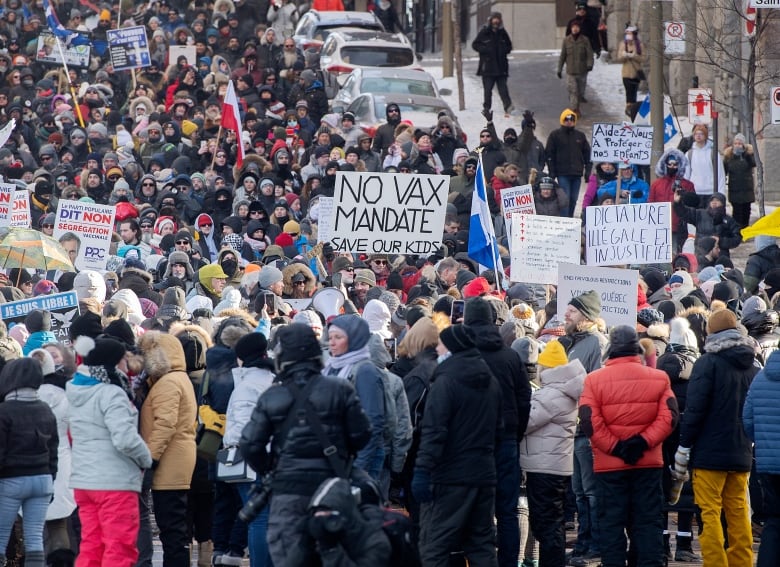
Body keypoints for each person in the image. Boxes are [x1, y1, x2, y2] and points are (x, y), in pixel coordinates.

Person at [240, 324, 372, 566]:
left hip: (287, 494)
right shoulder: (339, 389)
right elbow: (363, 434)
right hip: (334, 489)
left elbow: (249, 444)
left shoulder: (272, 395)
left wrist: (271, 468)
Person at [579, 325, 677, 567]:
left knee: (611, 525)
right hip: (648, 464)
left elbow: (589, 422)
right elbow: (670, 417)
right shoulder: (659, 377)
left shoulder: (594, 380)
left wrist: (616, 448)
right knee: (647, 523)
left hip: (609, 466)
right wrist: (642, 442)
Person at [412, 324, 503, 566]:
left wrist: (422, 470)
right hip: (484, 474)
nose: (438, 349)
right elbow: (499, 429)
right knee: (481, 544)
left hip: (449, 476)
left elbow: (433, 431)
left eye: (442, 344)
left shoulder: (445, 381)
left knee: (434, 544)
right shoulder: (490, 380)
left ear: (452, 348)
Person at [676, 309, 758, 567]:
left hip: (708, 455)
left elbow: (695, 409)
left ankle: (715, 563)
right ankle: (742, 563)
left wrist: (684, 444)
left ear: (710, 332)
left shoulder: (707, 363)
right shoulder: (753, 366)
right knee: (738, 511)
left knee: (709, 513)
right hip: (741, 451)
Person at [68, 331, 152, 567]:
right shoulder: (112, 392)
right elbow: (125, 438)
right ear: (115, 362)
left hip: (85, 481)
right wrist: (146, 458)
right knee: (119, 548)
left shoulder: (76, 389)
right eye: (125, 359)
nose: (128, 365)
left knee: (91, 546)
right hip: (114, 482)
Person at [464, 297, 531, 567]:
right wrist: (516, 432)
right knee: (507, 510)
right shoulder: (510, 356)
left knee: (473, 507)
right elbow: (524, 398)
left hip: (472, 444)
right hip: (505, 440)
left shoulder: (463, 357)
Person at [520, 342, 586, 567]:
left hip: (544, 466)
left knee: (547, 525)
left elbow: (525, 422)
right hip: (553, 464)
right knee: (551, 523)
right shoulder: (563, 391)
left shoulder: (551, 394)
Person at [139, 331, 198, 567]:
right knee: (175, 529)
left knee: (172, 530)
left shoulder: (169, 382)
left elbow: (165, 424)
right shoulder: (176, 378)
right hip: (176, 460)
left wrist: (150, 458)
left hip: (170, 464)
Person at [559, 290, 608, 566]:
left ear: (587, 317)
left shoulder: (597, 343)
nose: (566, 314)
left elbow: (598, 385)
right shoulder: (574, 342)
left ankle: (595, 543)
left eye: (573, 311)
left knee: (590, 491)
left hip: (587, 431)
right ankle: (584, 541)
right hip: (573, 429)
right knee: (579, 491)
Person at [223, 332, 275, 567]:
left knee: (258, 518)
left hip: (249, 460)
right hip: (269, 457)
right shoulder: (273, 379)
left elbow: (243, 430)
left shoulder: (247, 386)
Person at [0, 358, 58, 567]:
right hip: (42, 480)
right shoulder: (45, 409)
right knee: (35, 539)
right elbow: (53, 450)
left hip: (11, 481)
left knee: (1, 537)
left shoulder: (5, 411)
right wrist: (51, 478)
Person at [322, 315, 386, 479]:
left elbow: (374, 420)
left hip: (361, 456)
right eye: (330, 338)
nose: (332, 343)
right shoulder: (332, 367)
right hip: (343, 454)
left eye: (338, 337)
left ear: (354, 339)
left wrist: (359, 466)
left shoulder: (365, 370)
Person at [743, 349, 780, 567]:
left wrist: (763, 444)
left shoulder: (761, 378)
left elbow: (747, 418)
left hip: (767, 463)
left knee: (774, 519)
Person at [545, 110, 591, 217]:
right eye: (566, 119)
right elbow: (549, 154)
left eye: (572, 119)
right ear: (562, 120)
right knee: (565, 198)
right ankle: (564, 220)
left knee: (574, 199)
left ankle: (570, 219)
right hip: (563, 173)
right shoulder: (555, 135)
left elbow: (587, 154)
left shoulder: (580, 136)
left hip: (576, 173)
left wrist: (588, 170)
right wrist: (552, 171)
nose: (569, 122)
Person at [649, 149, 696, 253]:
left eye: (675, 164)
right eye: (669, 164)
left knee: (676, 253)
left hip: (679, 227)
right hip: (660, 226)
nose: (672, 167)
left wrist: (684, 195)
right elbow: (650, 205)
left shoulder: (687, 185)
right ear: (664, 164)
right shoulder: (656, 184)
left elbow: (693, 204)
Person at [471, 12, 514, 118]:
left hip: (501, 67)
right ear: (490, 20)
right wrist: (485, 50)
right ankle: (487, 108)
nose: (496, 21)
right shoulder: (484, 32)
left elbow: (509, 46)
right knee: (488, 90)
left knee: (503, 89)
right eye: (494, 19)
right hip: (488, 68)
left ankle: (508, 106)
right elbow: (475, 44)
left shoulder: (503, 33)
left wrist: (504, 50)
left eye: (498, 19)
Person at [557, 20, 594, 116]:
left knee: (580, 92)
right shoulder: (566, 41)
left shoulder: (585, 40)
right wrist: (559, 69)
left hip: (582, 71)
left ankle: (576, 106)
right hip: (571, 71)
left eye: (577, 27)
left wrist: (590, 64)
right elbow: (562, 56)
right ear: (570, 28)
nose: (575, 29)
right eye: (573, 27)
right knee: (573, 91)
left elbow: (589, 54)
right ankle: (574, 110)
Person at [685, 123, 725, 206]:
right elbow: (686, 175)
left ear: (706, 136)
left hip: (710, 192)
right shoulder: (689, 154)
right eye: (696, 134)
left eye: (701, 134)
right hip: (695, 192)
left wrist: (720, 194)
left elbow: (720, 175)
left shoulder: (713, 153)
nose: (698, 136)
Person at [722, 133, 756, 228]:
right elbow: (724, 170)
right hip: (734, 189)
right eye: (736, 143)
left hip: (746, 189)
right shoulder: (728, 156)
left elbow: (754, 164)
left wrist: (747, 154)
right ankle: (737, 231)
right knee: (737, 212)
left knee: (746, 211)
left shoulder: (748, 155)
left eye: (740, 143)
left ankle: (745, 229)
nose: (737, 145)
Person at [617, 24, 645, 119]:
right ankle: (629, 107)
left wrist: (634, 55)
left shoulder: (639, 45)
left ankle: (633, 107)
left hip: (636, 72)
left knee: (634, 91)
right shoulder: (623, 44)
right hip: (626, 73)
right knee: (628, 90)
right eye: (627, 33)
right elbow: (619, 57)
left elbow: (643, 58)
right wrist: (625, 55)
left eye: (630, 33)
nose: (628, 35)